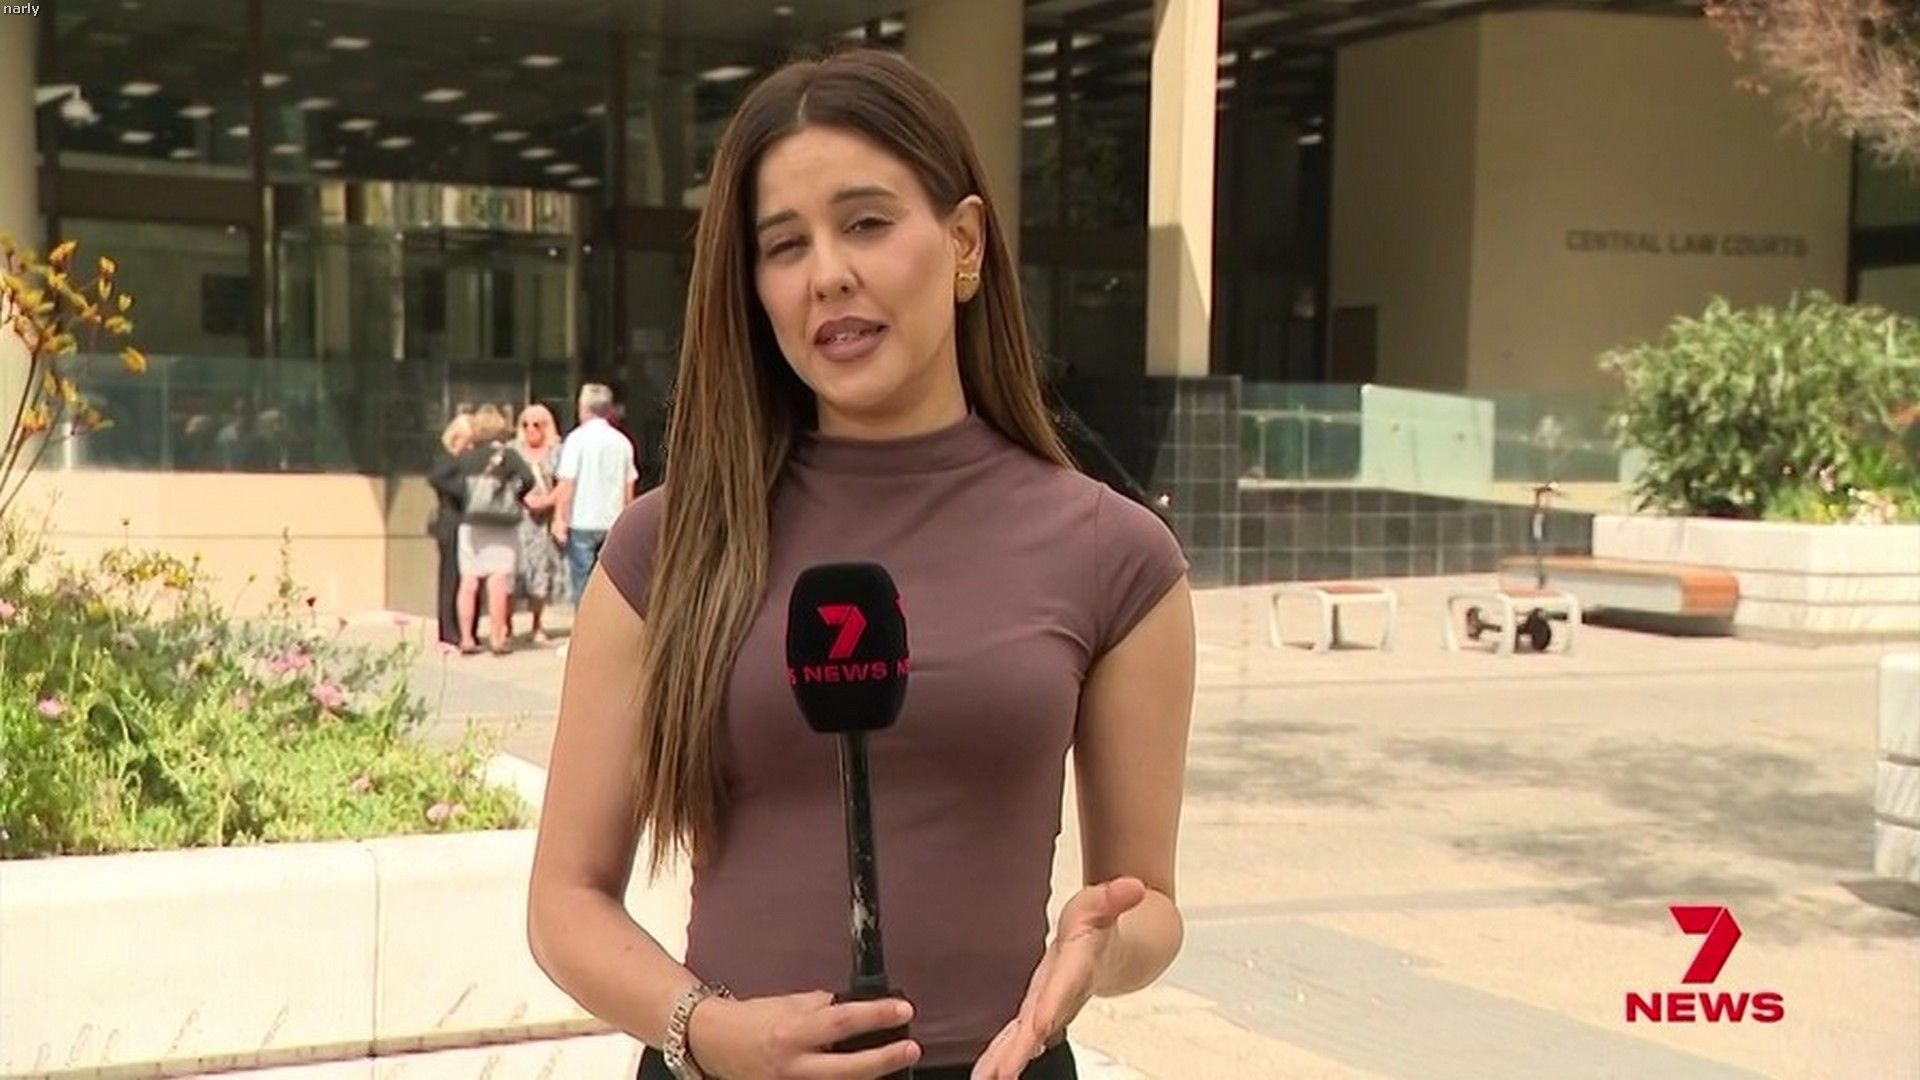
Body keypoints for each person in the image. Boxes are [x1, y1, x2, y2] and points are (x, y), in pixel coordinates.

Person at [526, 49, 1195, 1080]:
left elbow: (1148, 903)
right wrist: (709, 1031)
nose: (827, 273)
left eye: (868, 223)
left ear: (964, 242)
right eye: (784, 245)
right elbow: (564, 901)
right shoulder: (667, 546)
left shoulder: (1118, 557)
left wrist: (1103, 951)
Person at [434, 404, 535, 656]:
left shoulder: (467, 457)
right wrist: (514, 495)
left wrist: (467, 498)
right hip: (501, 524)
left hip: (472, 522)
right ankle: (497, 637)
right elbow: (528, 478)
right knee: (497, 579)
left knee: (469, 580)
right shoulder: (508, 456)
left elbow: (449, 479)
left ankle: (467, 638)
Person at [551, 382, 638, 607]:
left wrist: (559, 518)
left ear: (583, 408)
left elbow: (567, 483)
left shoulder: (576, 439)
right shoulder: (622, 442)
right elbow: (628, 486)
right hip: (612, 520)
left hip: (582, 520)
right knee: (610, 582)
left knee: (581, 581)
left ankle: (583, 620)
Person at [510, 403, 568, 645]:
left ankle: (537, 624)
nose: (531, 429)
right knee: (513, 573)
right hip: (516, 520)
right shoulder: (512, 451)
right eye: (526, 424)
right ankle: (506, 624)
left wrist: (549, 503)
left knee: (540, 572)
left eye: (538, 424)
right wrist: (524, 500)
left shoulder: (557, 451)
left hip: (543, 523)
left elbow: (565, 483)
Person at [427, 412, 477, 648]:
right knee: (450, 578)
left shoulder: (467, 461)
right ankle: (448, 631)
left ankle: (466, 629)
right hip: (451, 522)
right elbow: (438, 479)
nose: (471, 447)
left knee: (467, 578)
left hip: (467, 521)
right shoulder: (446, 461)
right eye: (468, 441)